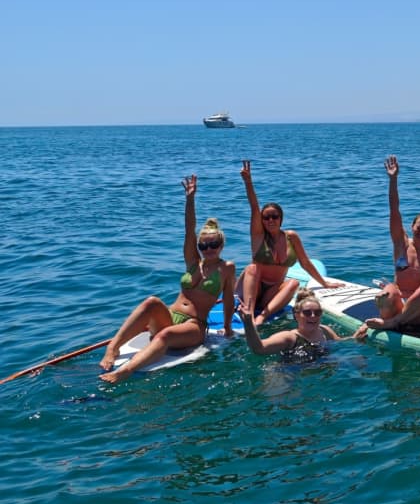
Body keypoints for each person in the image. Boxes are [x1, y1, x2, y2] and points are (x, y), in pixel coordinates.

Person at [99, 175, 235, 382]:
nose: (208, 249)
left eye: (213, 244)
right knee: (151, 301)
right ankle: (112, 348)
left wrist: (227, 327)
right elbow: (189, 230)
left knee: (165, 336)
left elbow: (227, 299)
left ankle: (124, 372)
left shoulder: (227, 268)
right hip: (170, 317)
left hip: (193, 325)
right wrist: (190, 199)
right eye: (203, 245)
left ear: (222, 245)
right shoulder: (192, 262)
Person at [236, 160, 344, 325]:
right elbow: (253, 206)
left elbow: (306, 263)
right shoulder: (258, 236)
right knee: (252, 267)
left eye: (274, 216)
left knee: (293, 283)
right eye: (266, 217)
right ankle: (249, 315)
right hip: (252, 289)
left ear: (281, 218)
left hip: (272, 293)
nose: (270, 220)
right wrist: (248, 182)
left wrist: (325, 283)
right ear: (261, 220)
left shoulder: (291, 237)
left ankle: (262, 316)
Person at [363, 155, 420, 333]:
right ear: (412, 227)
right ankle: (389, 322)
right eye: (419, 227)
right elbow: (394, 209)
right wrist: (393, 179)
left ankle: (392, 323)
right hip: (399, 303)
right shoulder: (401, 243)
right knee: (385, 293)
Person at [240, 287, 359, 360]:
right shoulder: (289, 337)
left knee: (357, 359)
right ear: (297, 315)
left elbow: (339, 342)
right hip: (288, 371)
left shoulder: (324, 331)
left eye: (317, 312)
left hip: (318, 369)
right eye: (307, 313)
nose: (313, 316)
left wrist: (355, 337)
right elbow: (259, 349)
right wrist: (248, 323)